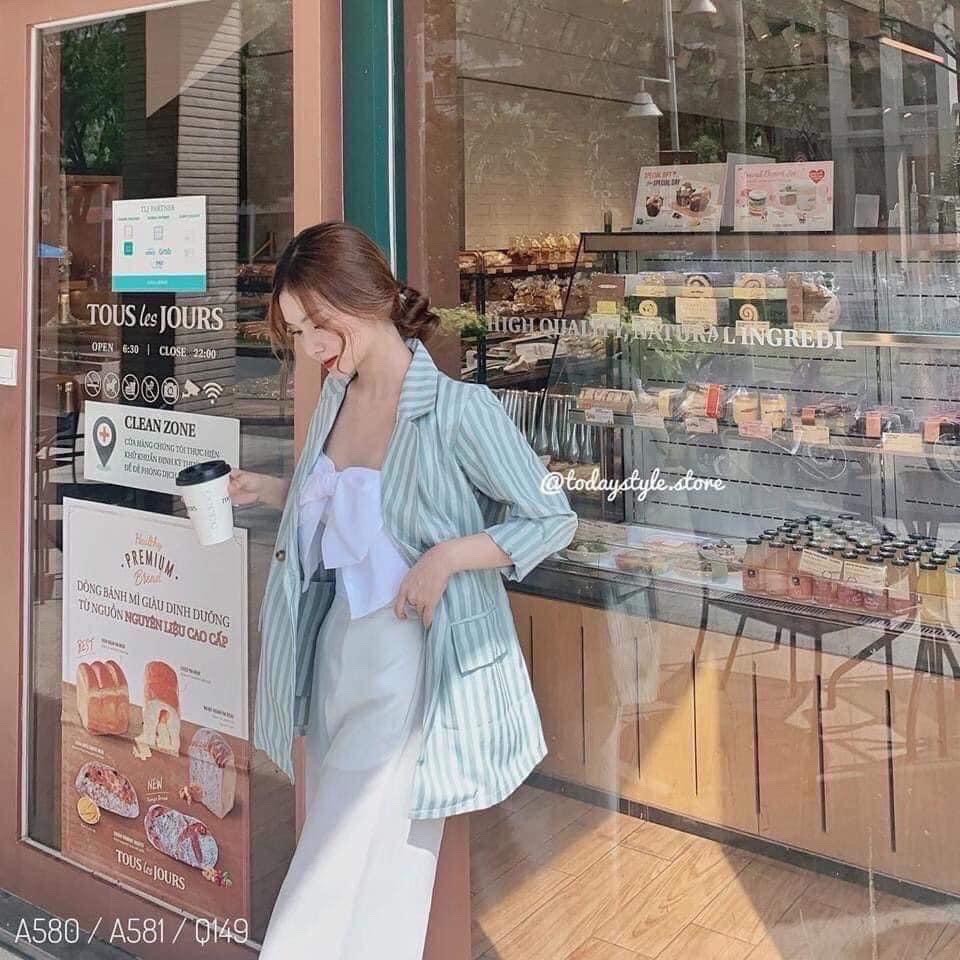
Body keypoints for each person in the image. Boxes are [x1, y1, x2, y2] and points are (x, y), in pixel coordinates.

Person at [229, 221, 577, 960]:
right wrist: (272, 490)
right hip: (333, 651)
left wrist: (448, 557)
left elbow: (552, 518)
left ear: (369, 298)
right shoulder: (336, 397)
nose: (312, 347)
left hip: (409, 662)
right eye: (298, 332)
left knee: (335, 858)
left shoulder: (456, 410)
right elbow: (357, 512)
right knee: (380, 867)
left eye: (319, 324)